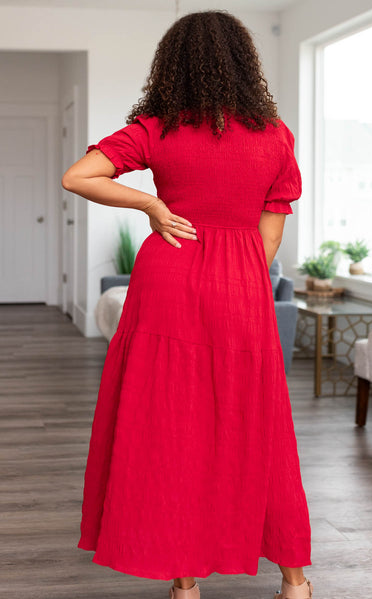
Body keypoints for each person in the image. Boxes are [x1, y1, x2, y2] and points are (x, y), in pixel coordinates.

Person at [62, 9, 313, 599]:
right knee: (259, 424)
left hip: (169, 281)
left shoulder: (158, 127)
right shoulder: (275, 135)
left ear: (171, 66)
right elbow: (270, 238)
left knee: (173, 425)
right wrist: (242, 274)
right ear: (245, 64)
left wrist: (151, 207)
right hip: (243, 289)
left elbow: (78, 177)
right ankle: (296, 581)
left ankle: (184, 582)